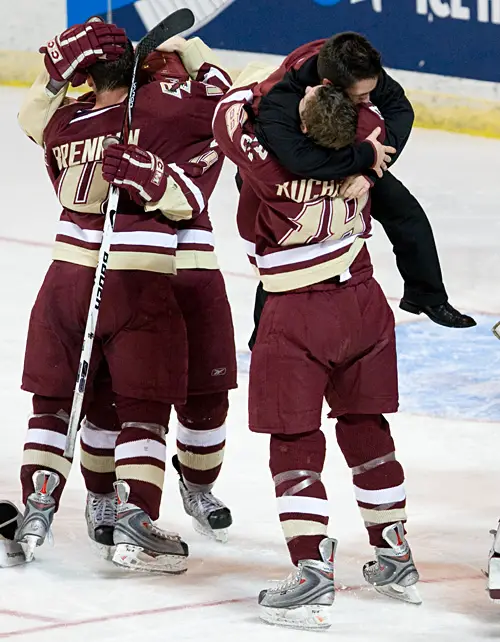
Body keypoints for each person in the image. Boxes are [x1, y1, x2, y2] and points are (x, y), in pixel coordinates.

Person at [5, 20, 229, 574]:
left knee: (55, 402)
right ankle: (135, 520)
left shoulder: (64, 120)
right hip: (134, 278)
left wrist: (54, 74)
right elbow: (227, 105)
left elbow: (30, 115)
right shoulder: (156, 116)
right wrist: (190, 53)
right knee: (144, 411)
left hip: (64, 277)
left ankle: (36, 509)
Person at [214, 68, 420, 629]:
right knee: (365, 424)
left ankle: (311, 570)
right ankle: (394, 552)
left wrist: (276, 81)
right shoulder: (369, 150)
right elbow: (386, 112)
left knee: (294, 438)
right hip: (364, 303)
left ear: (301, 124)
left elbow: (227, 113)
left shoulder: (272, 168)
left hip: (298, 311)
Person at [80, 38, 237, 556]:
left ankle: (197, 485)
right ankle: (107, 497)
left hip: (194, 271)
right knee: (116, 395)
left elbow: (225, 96)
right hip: (128, 268)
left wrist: (186, 51)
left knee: (206, 395)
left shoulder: (204, 117)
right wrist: (192, 52)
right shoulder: (125, 113)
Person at [244, 32, 475, 350]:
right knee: (288, 248)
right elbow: (297, 159)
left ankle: (425, 294)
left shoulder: (355, 68)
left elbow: (399, 109)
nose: (370, 101)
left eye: (371, 91)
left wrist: (370, 172)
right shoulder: (280, 100)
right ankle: (264, 336)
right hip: (277, 173)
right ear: (327, 86)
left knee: (405, 213)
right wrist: (364, 158)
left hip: (344, 154)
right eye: (361, 96)